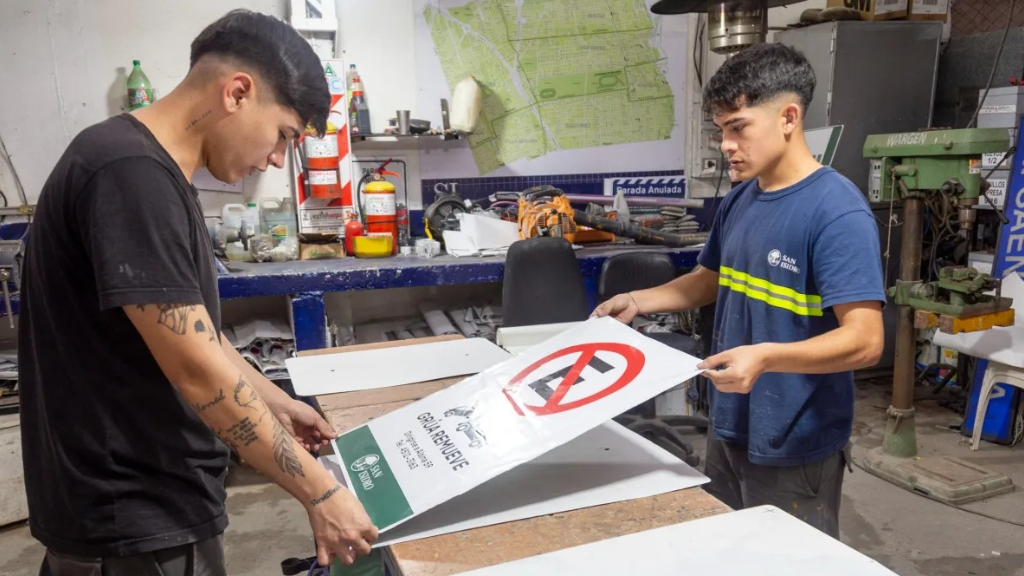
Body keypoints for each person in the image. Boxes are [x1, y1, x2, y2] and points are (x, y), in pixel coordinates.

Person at [19, 10, 377, 575]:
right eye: (284, 135)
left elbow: (195, 335)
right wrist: (321, 493)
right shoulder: (130, 175)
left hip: (144, 505)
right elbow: (196, 370)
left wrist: (276, 402)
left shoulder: (146, 167)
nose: (276, 158)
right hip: (133, 515)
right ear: (238, 92)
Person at [594, 43, 885, 538]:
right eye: (721, 131)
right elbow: (708, 280)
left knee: (790, 562)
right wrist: (640, 301)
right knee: (729, 550)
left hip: (794, 440)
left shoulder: (836, 212)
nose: (726, 145)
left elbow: (865, 341)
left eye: (738, 127)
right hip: (730, 422)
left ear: (788, 117)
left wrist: (766, 358)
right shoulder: (742, 199)